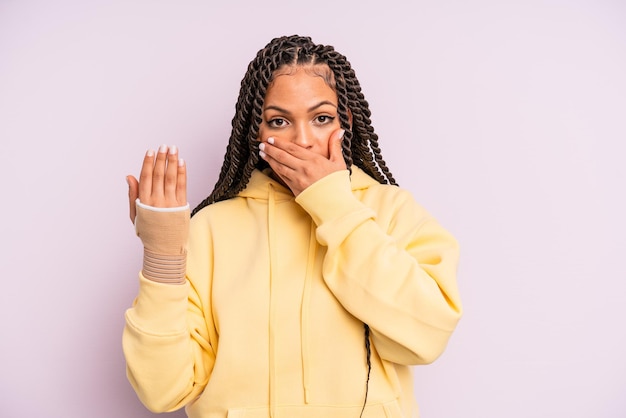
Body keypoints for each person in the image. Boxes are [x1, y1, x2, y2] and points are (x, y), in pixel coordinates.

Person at [123, 34, 462, 418]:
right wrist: (162, 253)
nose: (302, 141)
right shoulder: (210, 228)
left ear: (345, 122)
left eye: (321, 118)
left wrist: (332, 205)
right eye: (279, 121)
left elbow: (427, 336)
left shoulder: (392, 211)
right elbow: (162, 389)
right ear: (257, 132)